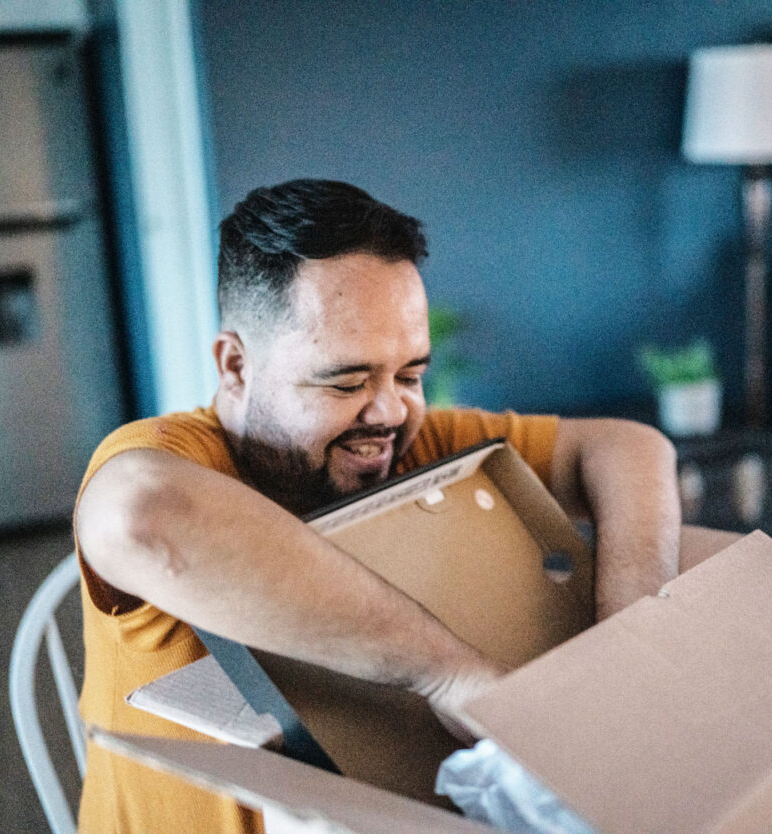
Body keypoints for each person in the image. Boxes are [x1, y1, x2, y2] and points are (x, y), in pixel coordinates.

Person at [72, 178, 683, 832]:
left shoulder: (409, 439)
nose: (391, 410)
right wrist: (452, 677)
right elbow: (137, 515)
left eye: (411, 374)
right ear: (235, 367)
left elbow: (630, 449)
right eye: (346, 380)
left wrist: (634, 639)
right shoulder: (171, 455)